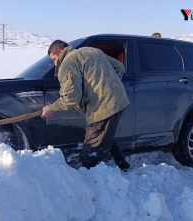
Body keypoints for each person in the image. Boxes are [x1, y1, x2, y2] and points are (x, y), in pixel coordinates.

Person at [41, 40, 131, 171]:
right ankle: (124, 166)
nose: (55, 63)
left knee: (91, 149)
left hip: (102, 107)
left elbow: (70, 98)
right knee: (105, 134)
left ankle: (91, 183)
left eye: (54, 59)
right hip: (119, 100)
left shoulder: (68, 63)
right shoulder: (91, 51)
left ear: (60, 51)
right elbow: (118, 66)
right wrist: (110, 87)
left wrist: (52, 108)